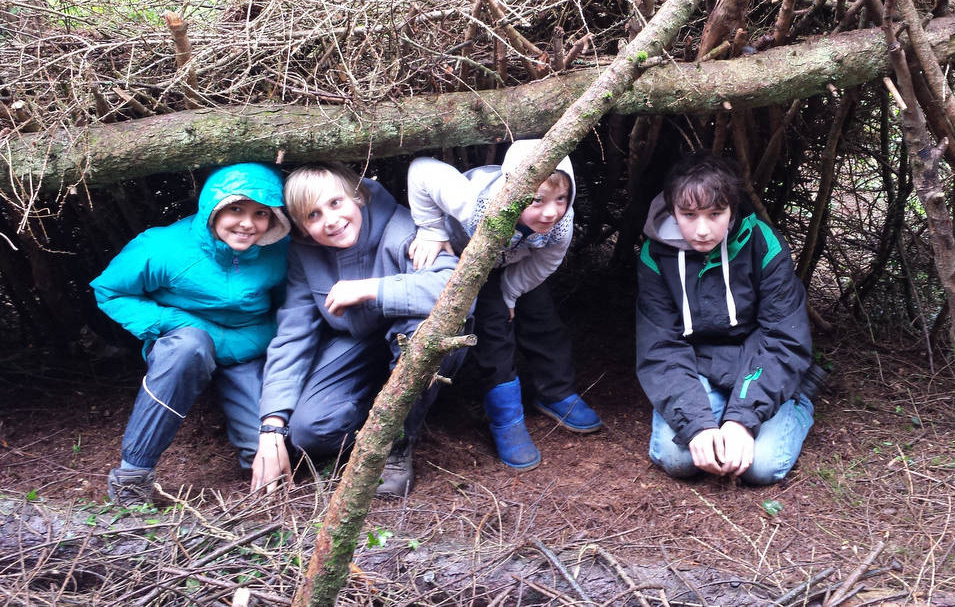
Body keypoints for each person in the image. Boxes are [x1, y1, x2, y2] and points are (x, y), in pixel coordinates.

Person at [253, 163, 464, 498]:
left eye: (335, 203)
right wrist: (272, 425)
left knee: (423, 333)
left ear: (358, 196)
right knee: (310, 433)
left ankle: (396, 443)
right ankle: (376, 414)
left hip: (411, 335)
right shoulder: (305, 254)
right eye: (313, 215)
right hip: (356, 343)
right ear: (302, 227)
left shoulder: (402, 228)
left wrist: (372, 289)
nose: (330, 221)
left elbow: (456, 288)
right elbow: (293, 335)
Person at [92, 163, 291, 506]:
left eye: (261, 213)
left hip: (248, 350)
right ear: (213, 206)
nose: (247, 223)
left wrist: (264, 340)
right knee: (189, 348)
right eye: (236, 208)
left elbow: (290, 307)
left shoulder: (281, 253)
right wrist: (172, 322)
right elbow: (110, 290)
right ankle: (132, 476)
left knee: (268, 445)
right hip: (186, 344)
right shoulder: (164, 248)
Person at [406, 140, 601, 472]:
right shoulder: (474, 205)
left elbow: (546, 264)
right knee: (494, 329)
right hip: (470, 257)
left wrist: (512, 292)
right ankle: (505, 418)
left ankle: (554, 391)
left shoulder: (559, 223)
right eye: (537, 199)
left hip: (516, 260)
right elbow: (422, 169)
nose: (551, 211)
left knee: (542, 318)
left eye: (560, 199)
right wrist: (430, 229)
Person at [636, 150, 820, 485]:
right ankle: (718, 412)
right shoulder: (655, 254)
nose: (703, 230)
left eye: (715, 213)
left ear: (732, 208)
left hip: (757, 362)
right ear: (672, 209)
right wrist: (697, 426)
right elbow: (659, 346)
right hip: (695, 366)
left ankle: (798, 401)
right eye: (688, 214)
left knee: (761, 467)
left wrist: (741, 422)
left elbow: (783, 337)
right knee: (676, 458)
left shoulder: (764, 244)